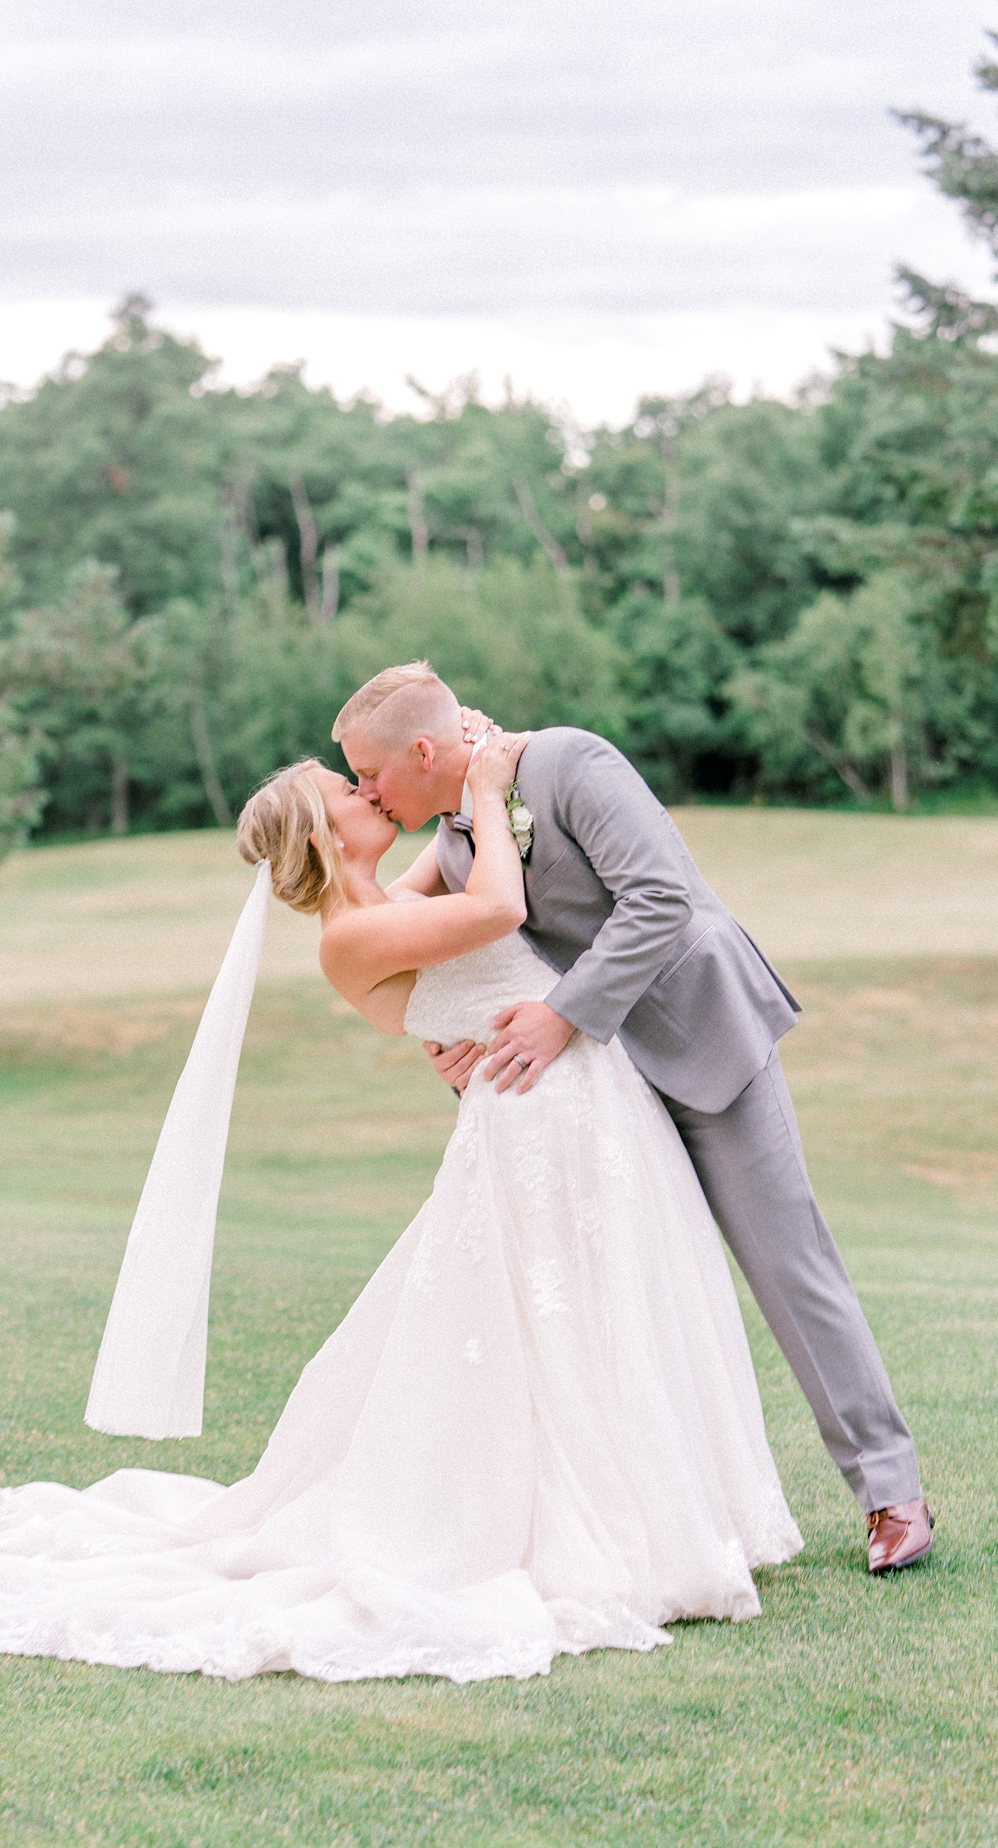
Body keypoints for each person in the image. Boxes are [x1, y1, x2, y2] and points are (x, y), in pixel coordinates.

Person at [0, 728, 802, 1683]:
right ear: (325, 834)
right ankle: (614, 1532)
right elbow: (497, 907)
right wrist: (488, 794)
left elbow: (446, 893)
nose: (368, 791)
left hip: (570, 1110)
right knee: (564, 1323)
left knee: (597, 1315)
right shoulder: (351, 934)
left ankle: (655, 1509)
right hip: (540, 1122)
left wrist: (457, 791)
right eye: (346, 790)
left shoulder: (376, 899)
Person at [333, 664, 933, 1577]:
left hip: (702, 1040)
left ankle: (892, 1494)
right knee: (630, 1291)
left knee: (788, 1262)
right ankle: (665, 1516)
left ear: (424, 750)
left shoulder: (573, 763)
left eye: (370, 774)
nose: (366, 792)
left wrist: (561, 1014)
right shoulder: (462, 836)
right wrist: (438, 1034)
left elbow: (662, 899)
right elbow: (403, 944)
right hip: (601, 1097)